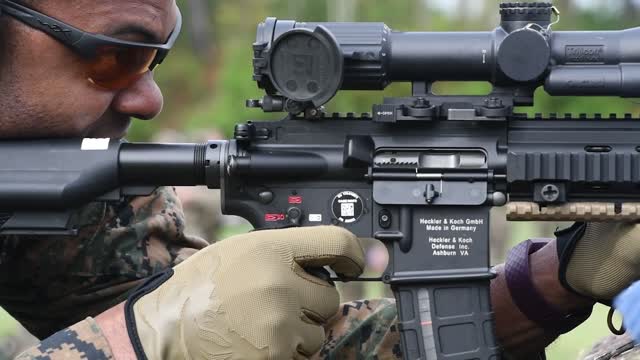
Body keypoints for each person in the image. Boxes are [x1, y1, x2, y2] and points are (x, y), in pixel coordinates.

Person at [0, 0, 638, 359]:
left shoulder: (72, 175)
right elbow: (155, 334)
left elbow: (296, 349)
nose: (151, 99)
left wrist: (556, 280)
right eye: (116, 56)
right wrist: (141, 340)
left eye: (156, 58)